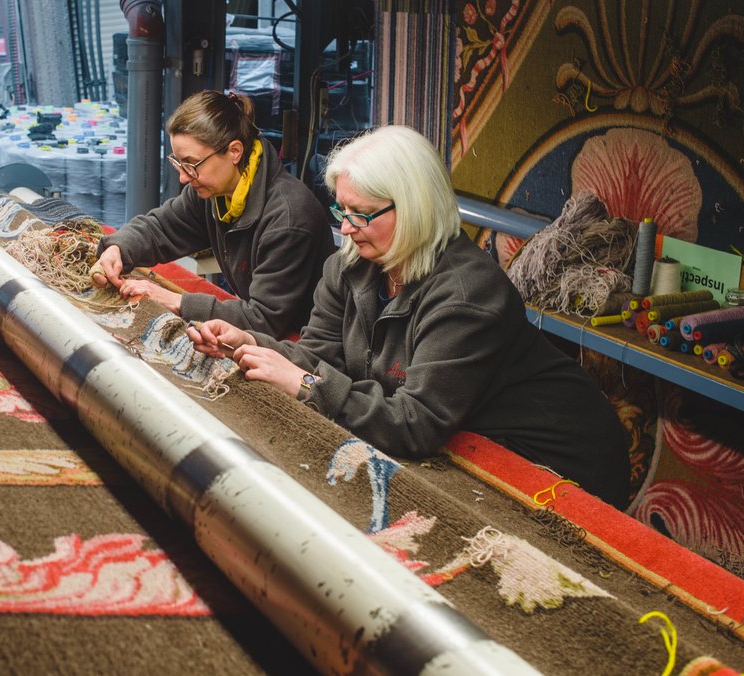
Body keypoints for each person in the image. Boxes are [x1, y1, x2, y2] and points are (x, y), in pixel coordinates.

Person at [187, 125, 631, 508]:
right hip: (473, 434)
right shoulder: (350, 265)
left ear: (415, 206)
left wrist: (303, 385)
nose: (345, 227)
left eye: (362, 214)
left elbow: (415, 424)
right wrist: (250, 345)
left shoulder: (468, 295)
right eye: (343, 210)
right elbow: (319, 354)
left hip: (560, 460)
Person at [93, 90, 335, 338]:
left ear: (234, 152)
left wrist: (177, 302)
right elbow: (162, 228)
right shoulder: (214, 192)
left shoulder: (288, 218)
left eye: (191, 164)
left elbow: (263, 320)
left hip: (302, 347)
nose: (183, 177)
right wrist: (118, 249)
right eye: (178, 163)